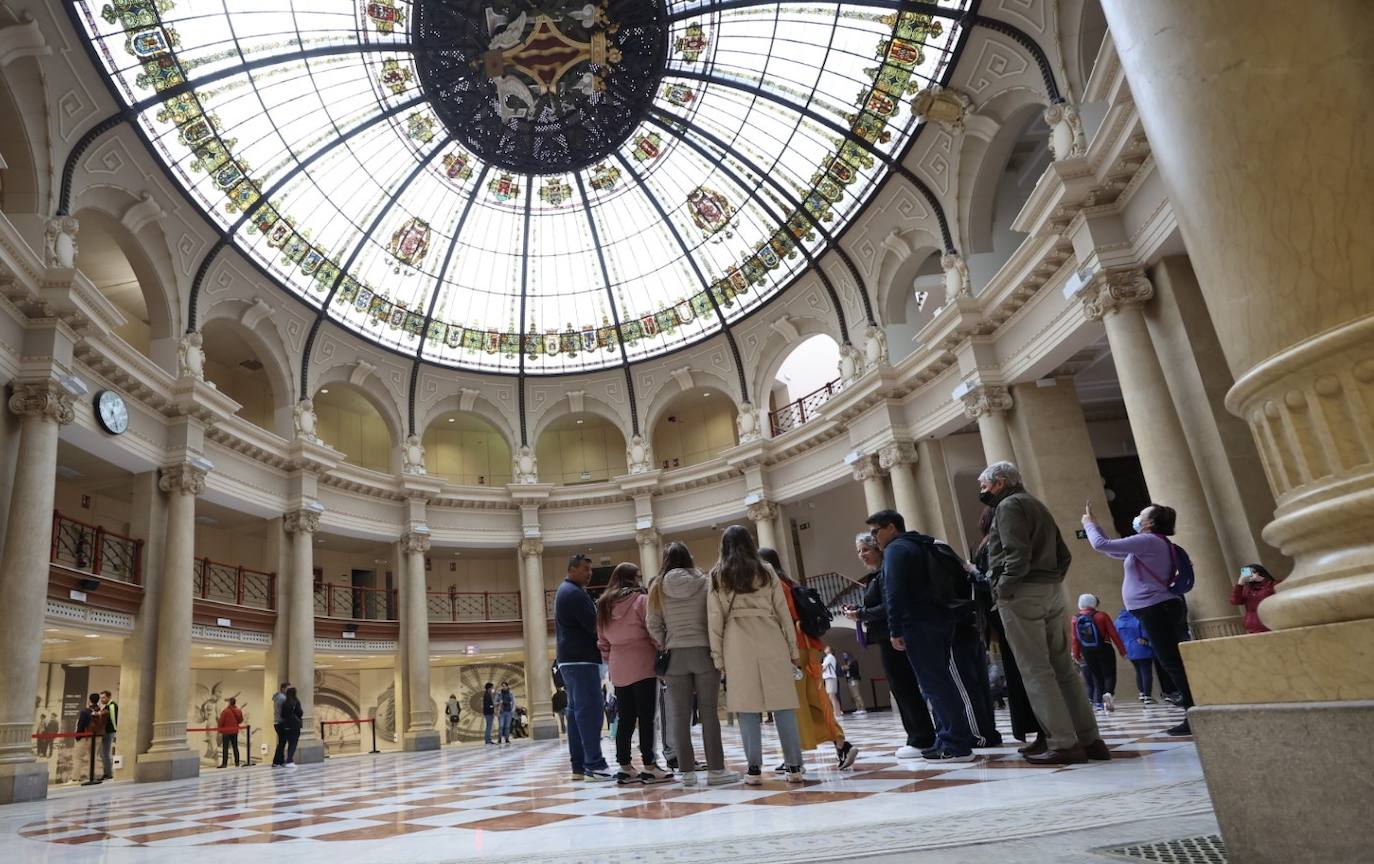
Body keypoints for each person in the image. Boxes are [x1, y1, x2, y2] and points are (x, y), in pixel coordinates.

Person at [978, 461, 1108, 764]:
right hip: (1051, 591)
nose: (982, 493)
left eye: (984, 487)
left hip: (1022, 593)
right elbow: (1064, 554)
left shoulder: (1008, 506)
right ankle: (1090, 740)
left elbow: (1016, 555)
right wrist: (1052, 580)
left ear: (999, 483)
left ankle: (1063, 743)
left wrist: (1004, 588)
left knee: (1035, 670)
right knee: (1064, 668)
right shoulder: (1036, 503)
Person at [865, 510, 980, 763]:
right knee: (940, 682)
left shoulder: (896, 550)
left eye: (876, 531)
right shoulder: (922, 543)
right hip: (940, 619)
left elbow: (894, 593)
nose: (874, 538)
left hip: (919, 624)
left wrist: (895, 629)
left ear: (892, 527)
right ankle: (948, 737)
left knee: (935, 685)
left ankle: (956, 744)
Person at [1082, 501, 1194, 736]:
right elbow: (1112, 550)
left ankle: (1193, 713)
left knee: (1171, 662)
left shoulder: (1148, 541)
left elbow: (1100, 545)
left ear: (1150, 522)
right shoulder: (1151, 543)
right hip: (1156, 607)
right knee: (1170, 661)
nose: (1137, 517)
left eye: (1141, 515)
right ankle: (1192, 710)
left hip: (1156, 608)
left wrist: (1088, 524)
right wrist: (1096, 526)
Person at [708, 526, 805, 784]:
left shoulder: (718, 575)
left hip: (736, 641)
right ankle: (794, 767)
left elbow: (714, 619)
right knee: (783, 703)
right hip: (770, 635)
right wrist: (793, 650)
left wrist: (718, 658)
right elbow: (783, 612)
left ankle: (753, 769)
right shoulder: (766, 570)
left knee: (746, 707)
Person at [646, 541, 737, 786]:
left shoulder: (656, 586)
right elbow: (714, 615)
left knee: (679, 716)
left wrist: (665, 641)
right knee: (709, 713)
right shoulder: (705, 582)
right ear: (688, 557)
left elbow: (652, 623)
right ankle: (716, 771)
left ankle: (686, 773)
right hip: (704, 652)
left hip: (674, 656)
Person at [760, 547, 859, 772]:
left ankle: (794, 758)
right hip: (808, 647)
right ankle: (841, 743)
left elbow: (784, 619)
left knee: (793, 705)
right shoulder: (790, 582)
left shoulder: (774, 585)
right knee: (816, 700)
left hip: (792, 650)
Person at [843, 533, 938, 759]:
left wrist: (861, 613)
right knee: (900, 687)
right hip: (886, 636)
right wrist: (861, 610)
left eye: (865, 549)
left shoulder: (886, 571)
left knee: (905, 687)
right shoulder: (877, 575)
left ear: (877, 548)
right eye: (859, 551)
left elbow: (889, 605)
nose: (862, 555)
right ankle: (916, 736)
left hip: (893, 636)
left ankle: (921, 738)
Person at [971, 507, 1042, 750]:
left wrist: (972, 572)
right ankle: (1040, 731)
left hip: (1007, 612)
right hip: (1002, 615)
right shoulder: (991, 543)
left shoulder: (994, 544)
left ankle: (1044, 731)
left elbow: (992, 580)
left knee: (1026, 671)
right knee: (1020, 672)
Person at [597, 562, 672, 784]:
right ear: (633, 578)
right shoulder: (641, 600)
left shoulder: (603, 604)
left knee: (626, 718)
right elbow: (651, 629)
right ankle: (649, 766)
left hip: (618, 666)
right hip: (643, 663)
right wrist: (661, 648)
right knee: (647, 718)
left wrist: (610, 664)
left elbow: (602, 641)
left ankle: (624, 767)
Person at [555, 553, 614, 781]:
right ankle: (595, 765)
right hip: (582, 660)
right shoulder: (574, 594)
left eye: (590, 569)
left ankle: (579, 766)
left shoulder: (566, 591)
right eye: (585, 569)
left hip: (570, 660)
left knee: (576, 713)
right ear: (572, 569)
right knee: (589, 711)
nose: (589, 573)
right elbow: (595, 626)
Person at [1071, 594, 1127, 712]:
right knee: (1109, 674)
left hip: (1086, 651)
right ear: (1094, 603)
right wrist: (1122, 651)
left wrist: (1076, 654)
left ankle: (1098, 703)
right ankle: (1108, 693)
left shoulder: (1075, 619)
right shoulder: (1102, 616)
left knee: (1097, 676)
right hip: (1104, 648)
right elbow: (1113, 634)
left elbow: (1074, 638)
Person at [1115, 607, 1157, 703]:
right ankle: (1147, 695)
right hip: (1141, 646)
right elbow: (1145, 633)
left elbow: (1117, 636)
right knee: (1146, 671)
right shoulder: (1137, 618)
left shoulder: (1117, 621)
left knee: (1138, 671)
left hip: (1128, 649)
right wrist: (1147, 641)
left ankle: (1142, 693)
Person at [1231, 564, 1278, 634]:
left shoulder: (1272, 584)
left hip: (1271, 623)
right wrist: (1240, 583)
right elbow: (1235, 601)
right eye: (1245, 573)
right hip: (1253, 627)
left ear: (1258, 572)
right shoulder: (1246, 589)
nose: (1247, 575)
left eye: (1250, 572)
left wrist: (1261, 579)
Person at [75, 693, 104, 782]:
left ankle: (75, 777)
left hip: (86, 737)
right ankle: (91, 776)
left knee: (78, 757)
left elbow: (81, 724)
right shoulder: (101, 711)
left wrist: (78, 736)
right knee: (93, 757)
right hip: (98, 737)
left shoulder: (85, 711)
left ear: (89, 700)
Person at [218, 696, 244, 768]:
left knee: (225, 748)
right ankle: (237, 762)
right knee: (235, 747)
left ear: (229, 703)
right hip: (235, 731)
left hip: (226, 732)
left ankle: (224, 764)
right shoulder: (238, 710)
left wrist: (220, 730)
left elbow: (221, 721)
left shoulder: (225, 711)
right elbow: (241, 720)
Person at [98, 691, 118, 779]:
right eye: (101, 698)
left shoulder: (112, 706)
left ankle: (108, 773)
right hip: (107, 732)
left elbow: (113, 719)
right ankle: (107, 772)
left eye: (103, 697)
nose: (102, 699)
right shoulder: (107, 706)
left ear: (109, 697)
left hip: (109, 732)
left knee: (105, 753)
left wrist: (115, 730)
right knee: (103, 753)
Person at [281, 686, 303, 768]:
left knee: (289, 742)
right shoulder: (296, 702)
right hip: (295, 725)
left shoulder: (285, 702)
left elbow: (282, 715)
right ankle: (289, 760)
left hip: (286, 725)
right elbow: (300, 713)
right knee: (293, 743)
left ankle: (289, 759)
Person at [271, 681, 289, 767]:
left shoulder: (277, 697)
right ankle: (277, 761)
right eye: (287, 689)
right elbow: (284, 711)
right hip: (281, 722)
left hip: (277, 722)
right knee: (282, 742)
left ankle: (280, 761)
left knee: (282, 742)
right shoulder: (282, 698)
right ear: (283, 688)